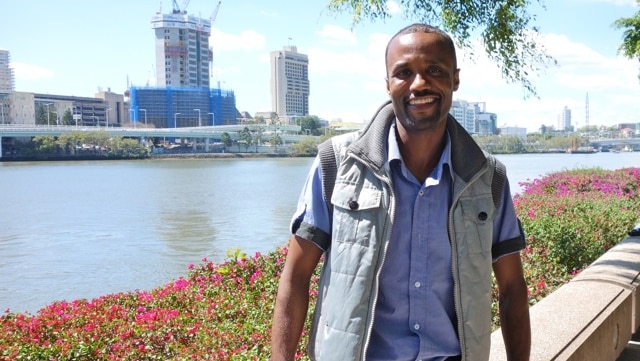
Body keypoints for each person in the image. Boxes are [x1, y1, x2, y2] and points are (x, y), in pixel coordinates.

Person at [271, 23, 531, 361]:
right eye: (404, 73)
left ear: (455, 79)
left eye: (434, 71)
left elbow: (513, 289)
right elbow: (295, 277)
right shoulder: (337, 164)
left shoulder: (487, 178)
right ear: (388, 84)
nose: (419, 84)